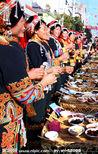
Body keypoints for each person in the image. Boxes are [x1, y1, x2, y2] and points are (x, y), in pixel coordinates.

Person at [0, 2, 57, 152]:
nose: (25, 25)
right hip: (5, 126)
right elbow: (26, 96)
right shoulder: (8, 50)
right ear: (7, 22)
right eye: (22, 21)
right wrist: (44, 82)